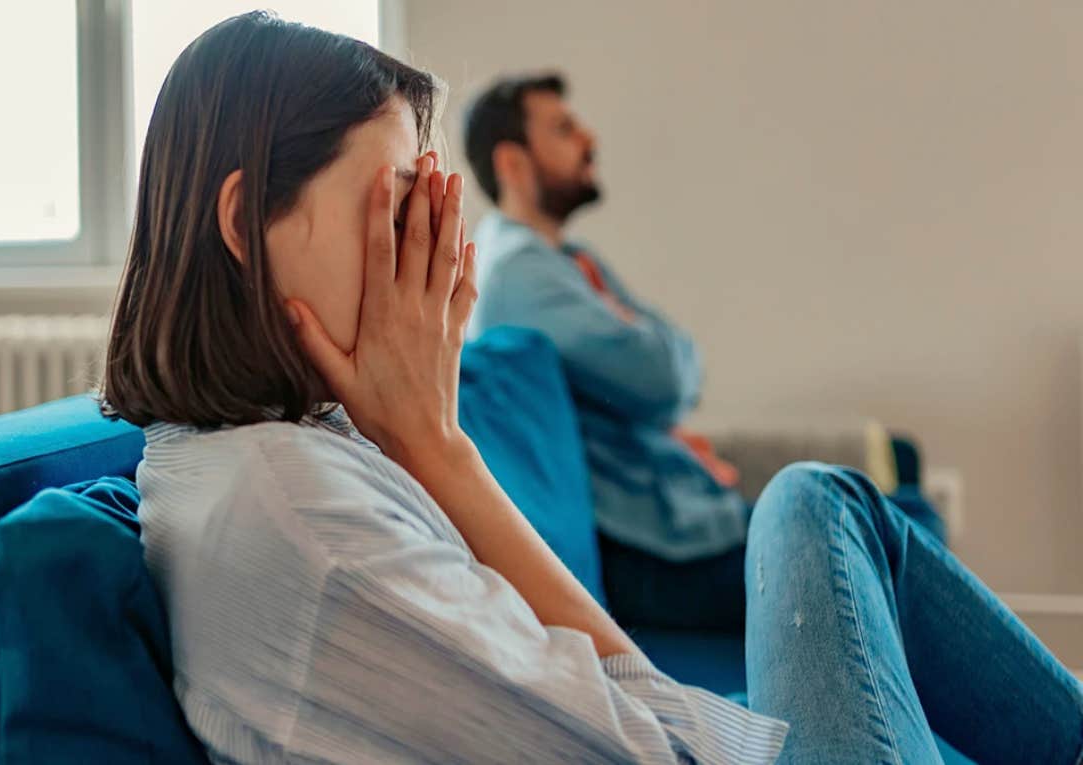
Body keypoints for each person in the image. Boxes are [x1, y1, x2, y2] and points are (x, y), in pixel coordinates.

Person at [101, 13, 1082, 764]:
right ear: (244, 221)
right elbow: (660, 740)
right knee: (817, 502)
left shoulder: (276, 452)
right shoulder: (304, 522)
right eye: (401, 209)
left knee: (832, 510)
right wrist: (438, 449)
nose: (432, 259)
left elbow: (669, 366)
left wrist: (430, 447)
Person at [462, 73, 942, 632]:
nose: (588, 138)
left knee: (904, 511)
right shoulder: (519, 274)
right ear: (513, 164)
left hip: (680, 523)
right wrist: (654, 368)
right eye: (564, 129)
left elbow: (680, 362)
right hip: (655, 553)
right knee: (907, 530)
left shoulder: (568, 260)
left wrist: (657, 371)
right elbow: (665, 377)